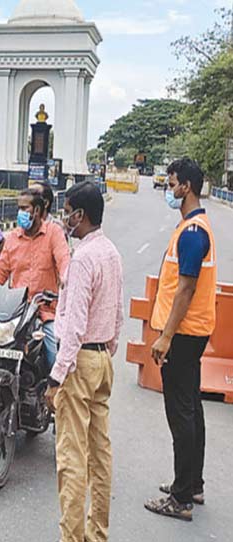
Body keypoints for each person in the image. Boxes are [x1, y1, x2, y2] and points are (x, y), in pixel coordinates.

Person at [44, 181, 123, 542]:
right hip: (102, 360)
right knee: (100, 455)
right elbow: (118, 313)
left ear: (82, 215)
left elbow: (73, 328)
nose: (64, 217)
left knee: (71, 459)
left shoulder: (82, 259)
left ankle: (71, 538)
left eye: (68, 211)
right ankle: (97, 534)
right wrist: (108, 348)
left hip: (79, 364)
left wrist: (57, 377)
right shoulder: (110, 252)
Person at [0, 188, 70, 442]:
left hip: (44, 311)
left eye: (25, 208)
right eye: (19, 208)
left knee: (56, 356)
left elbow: (64, 262)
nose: (21, 213)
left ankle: (65, 424)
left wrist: (67, 282)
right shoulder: (12, 238)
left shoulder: (53, 233)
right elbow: (1, 271)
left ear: (38, 210)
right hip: (16, 313)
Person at [145, 158, 217, 522]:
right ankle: (194, 484)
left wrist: (166, 337)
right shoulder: (194, 227)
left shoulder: (192, 233)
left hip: (184, 334)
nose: (169, 190)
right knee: (192, 408)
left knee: (181, 413)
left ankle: (181, 497)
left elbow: (185, 289)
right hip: (194, 332)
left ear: (186, 186)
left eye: (172, 184)